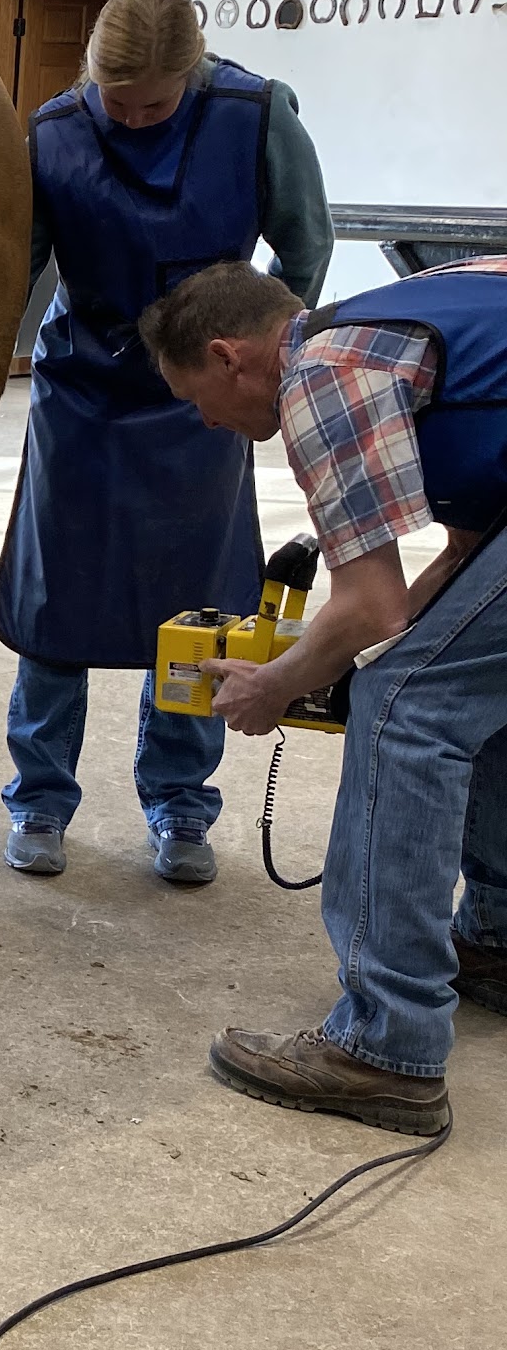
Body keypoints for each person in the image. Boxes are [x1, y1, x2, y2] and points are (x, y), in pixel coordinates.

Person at [137, 256, 507, 1135]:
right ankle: (496, 944)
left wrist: (275, 685)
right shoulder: (416, 316)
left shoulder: (325, 375)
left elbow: (368, 604)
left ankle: (387, 1048)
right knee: (461, 687)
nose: (206, 419)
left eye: (196, 398)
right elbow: (461, 557)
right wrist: (347, 656)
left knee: (404, 713)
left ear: (231, 358)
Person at [0, 0, 334, 886]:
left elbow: (305, 245)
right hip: (84, 390)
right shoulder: (55, 131)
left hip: (204, 392)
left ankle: (181, 804)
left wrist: (268, 362)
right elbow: (19, 265)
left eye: (155, 103)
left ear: (194, 72)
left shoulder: (256, 115)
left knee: (199, 608)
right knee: (56, 598)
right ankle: (39, 796)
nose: (134, 119)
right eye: (117, 101)